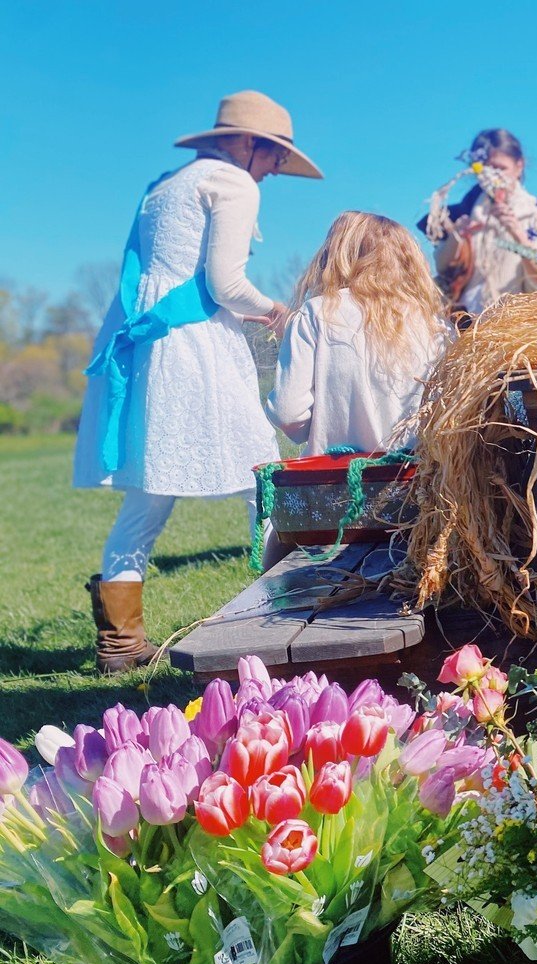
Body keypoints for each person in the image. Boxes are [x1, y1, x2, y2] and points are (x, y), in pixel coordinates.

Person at [73, 90, 322, 673]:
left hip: (146, 343)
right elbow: (227, 284)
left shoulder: (166, 185)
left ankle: (120, 643)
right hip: (192, 347)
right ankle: (287, 615)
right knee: (261, 477)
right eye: (275, 157)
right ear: (247, 144)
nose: (276, 171)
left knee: (149, 493)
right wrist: (279, 311)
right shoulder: (235, 184)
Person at [266, 211, 449, 456]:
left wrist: (323, 424)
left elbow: (287, 412)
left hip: (337, 484)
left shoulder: (317, 312)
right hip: (418, 483)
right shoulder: (437, 326)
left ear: (335, 255)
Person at [420, 128, 537, 318]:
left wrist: (519, 238)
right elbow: (444, 268)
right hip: (464, 320)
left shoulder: (536, 213)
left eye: (501, 169)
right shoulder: (467, 208)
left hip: (512, 322)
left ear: (520, 166)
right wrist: (457, 237)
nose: (494, 177)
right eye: (486, 169)